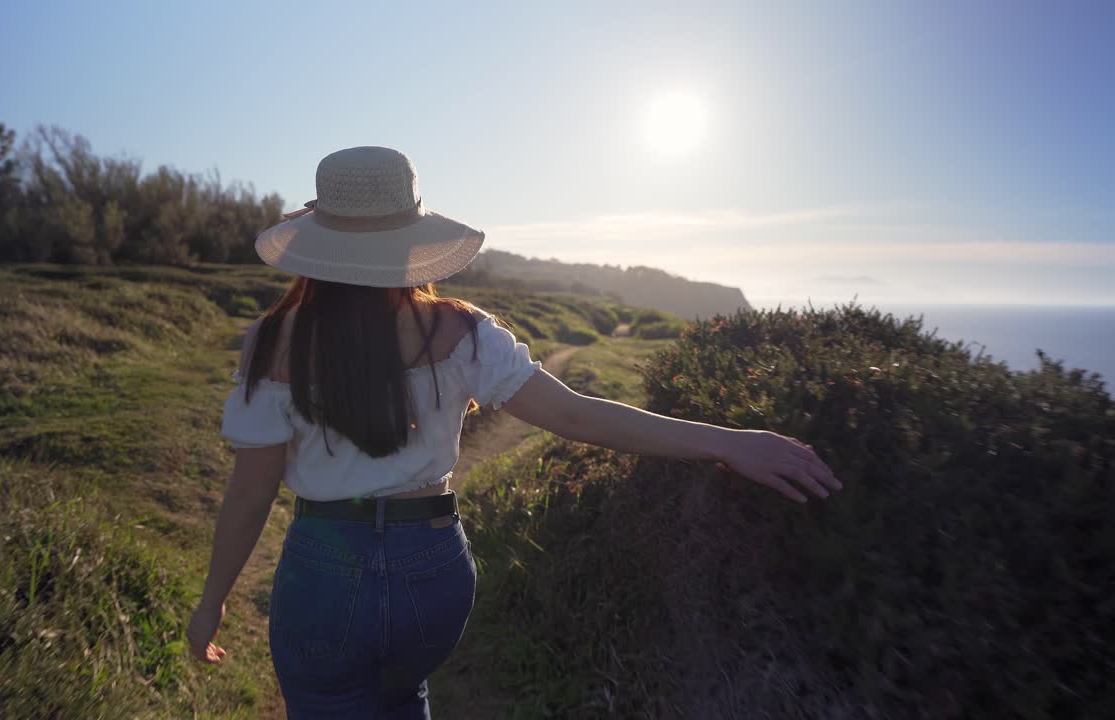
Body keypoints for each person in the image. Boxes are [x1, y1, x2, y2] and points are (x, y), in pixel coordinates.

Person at [185, 146, 842, 718]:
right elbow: (580, 416)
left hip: (324, 567)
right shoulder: (465, 332)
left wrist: (213, 600)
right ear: (412, 238)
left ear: (321, 240)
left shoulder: (274, 340)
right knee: (403, 697)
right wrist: (729, 440)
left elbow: (252, 492)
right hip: (432, 566)